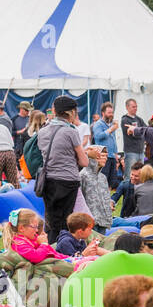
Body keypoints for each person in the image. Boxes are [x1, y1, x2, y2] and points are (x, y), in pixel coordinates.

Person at [37, 96, 89, 239]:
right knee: (65, 221)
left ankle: (50, 249)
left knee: (51, 221)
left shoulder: (42, 131)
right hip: (68, 180)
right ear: (71, 112)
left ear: (55, 111)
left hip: (48, 180)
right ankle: (63, 249)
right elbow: (84, 162)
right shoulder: (71, 132)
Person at [79, 145, 114, 234]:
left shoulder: (103, 178)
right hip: (90, 222)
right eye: (102, 156)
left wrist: (109, 204)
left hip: (103, 221)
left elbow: (106, 197)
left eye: (106, 156)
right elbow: (80, 198)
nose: (105, 159)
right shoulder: (83, 176)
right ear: (94, 157)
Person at [91, 102, 120, 188]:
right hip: (102, 157)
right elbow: (98, 136)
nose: (111, 115)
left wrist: (116, 153)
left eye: (112, 112)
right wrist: (110, 130)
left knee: (111, 181)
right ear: (103, 113)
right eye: (109, 113)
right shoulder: (98, 124)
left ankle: (107, 199)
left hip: (112, 157)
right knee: (102, 181)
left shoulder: (111, 125)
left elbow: (113, 140)